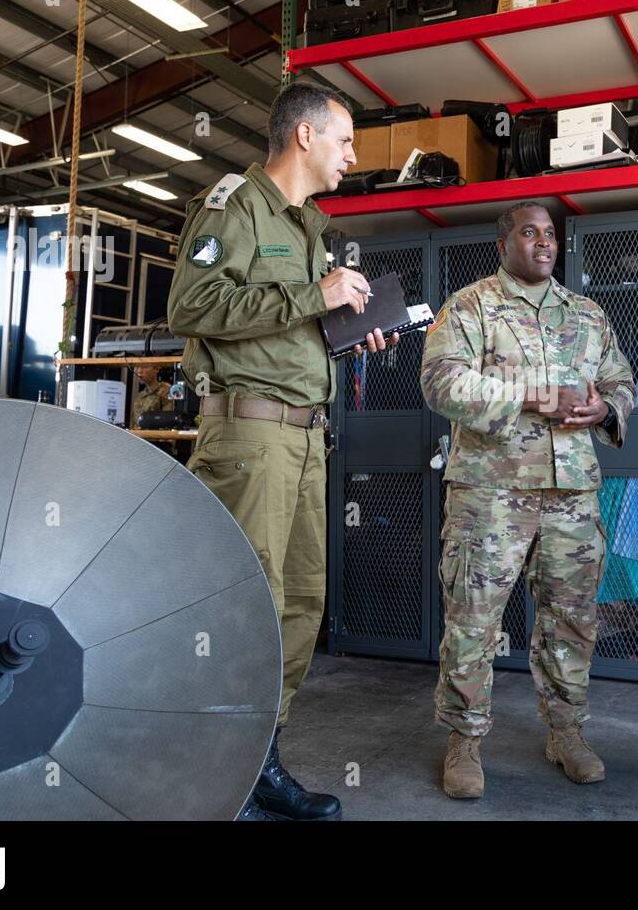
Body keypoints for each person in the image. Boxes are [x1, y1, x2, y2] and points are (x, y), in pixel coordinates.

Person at [168, 80, 393, 821]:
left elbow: (293, 324)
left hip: (305, 435)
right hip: (249, 435)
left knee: (300, 601)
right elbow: (191, 307)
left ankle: (258, 758)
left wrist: (348, 329)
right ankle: (213, 769)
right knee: (247, 604)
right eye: (345, 140)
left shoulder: (311, 225)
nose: (352, 156)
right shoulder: (232, 205)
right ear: (304, 136)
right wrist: (313, 298)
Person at [420, 201, 635, 799]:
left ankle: (566, 733)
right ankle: (463, 742)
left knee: (572, 620)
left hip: (572, 495)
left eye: (550, 234)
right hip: (490, 495)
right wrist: (534, 395)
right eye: (529, 232)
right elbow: (441, 382)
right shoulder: (471, 306)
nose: (543, 243)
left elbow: (620, 378)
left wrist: (607, 409)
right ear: (504, 243)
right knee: (473, 620)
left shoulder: (587, 313)